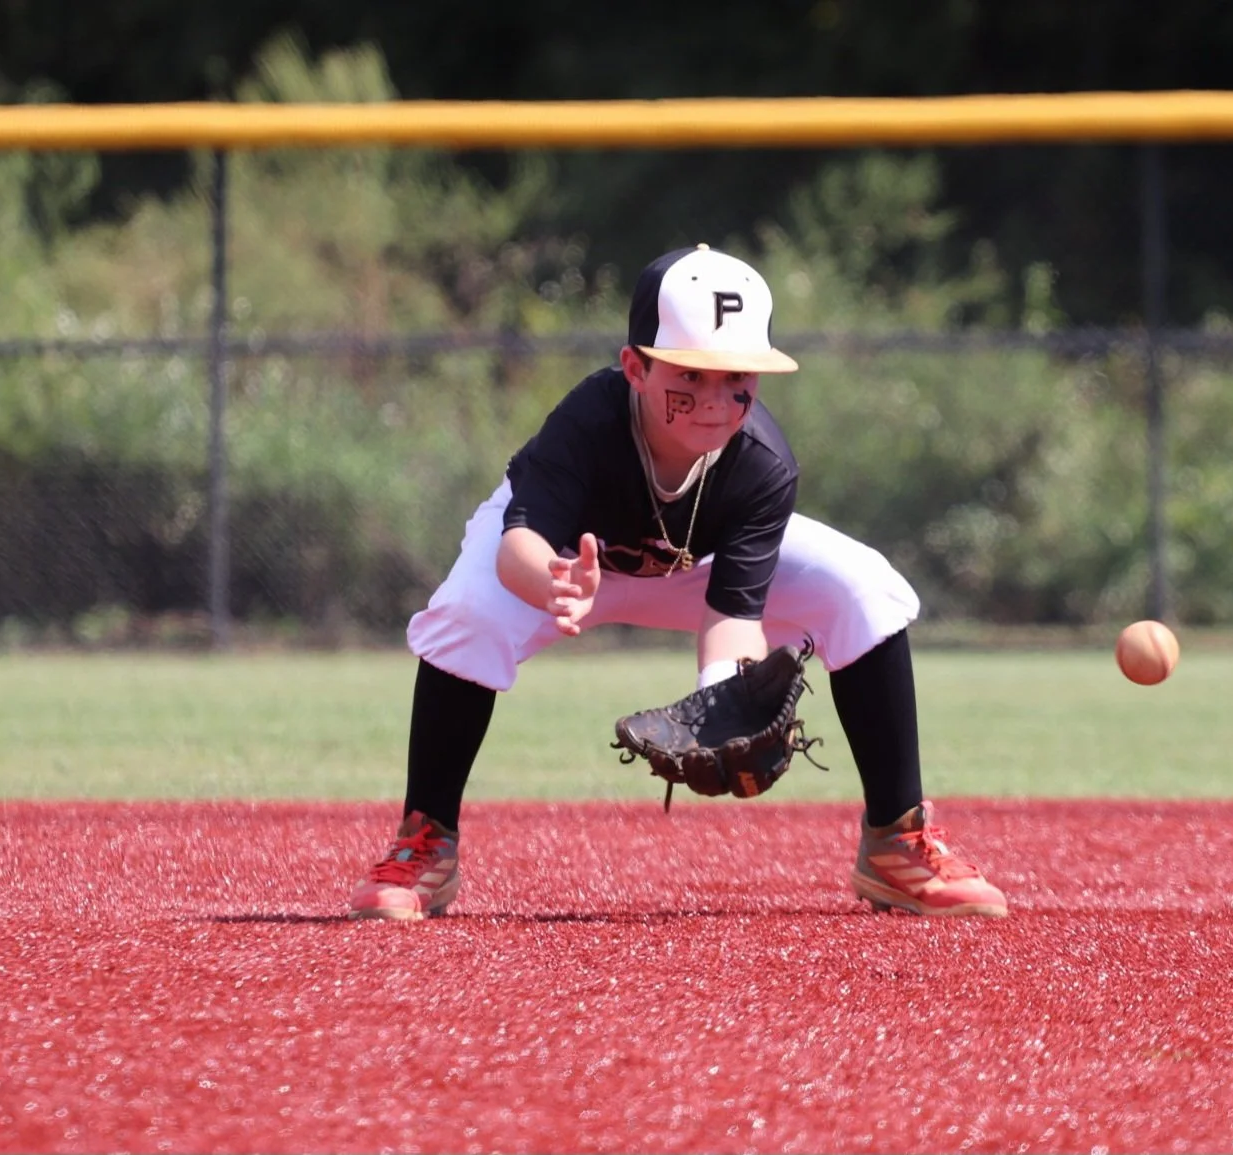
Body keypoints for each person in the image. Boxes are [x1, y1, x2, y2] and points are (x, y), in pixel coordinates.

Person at [348, 243, 1007, 920]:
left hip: (694, 566)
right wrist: (550, 581)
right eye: (690, 374)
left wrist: (722, 699)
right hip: (570, 565)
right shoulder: (591, 422)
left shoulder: (762, 464)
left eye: (738, 378)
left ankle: (895, 842)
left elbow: (734, 612)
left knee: (863, 586)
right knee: (468, 614)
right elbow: (516, 542)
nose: (716, 401)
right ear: (636, 367)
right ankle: (425, 842)